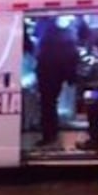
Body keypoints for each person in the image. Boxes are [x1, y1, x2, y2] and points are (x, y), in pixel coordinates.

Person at [34, 18, 79, 149]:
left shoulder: (48, 41)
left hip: (47, 76)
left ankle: (49, 135)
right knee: (51, 105)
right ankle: (51, 134)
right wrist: (70, 77)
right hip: (58, 76)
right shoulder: (68, 38)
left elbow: (41, 58)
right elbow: (73, 57)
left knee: (47, 106)